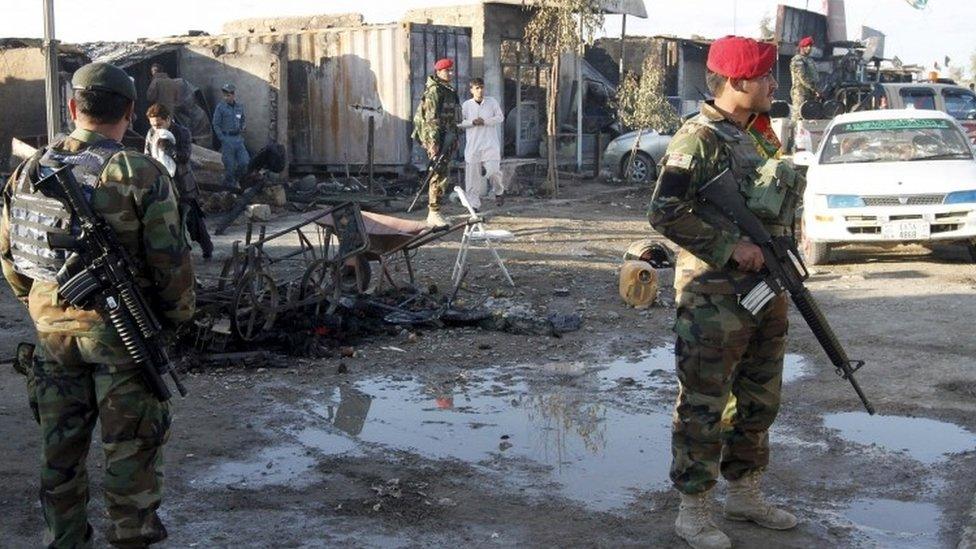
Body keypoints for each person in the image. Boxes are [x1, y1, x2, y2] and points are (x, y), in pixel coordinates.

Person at [0, 62, 195, 547]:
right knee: (131, 457)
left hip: (54, 339)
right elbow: (172, 265)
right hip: (123, 341)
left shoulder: (28, 171)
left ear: (72, 108)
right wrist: (173, 321)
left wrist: (43, 306)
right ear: (130, 112)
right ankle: (131, 537)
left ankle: (64, 539)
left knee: (59, 455)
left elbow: (11, 255)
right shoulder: (139, 173)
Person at [649, 36, 804, 549]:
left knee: (759, 397)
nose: (771, 84)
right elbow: (664, 212)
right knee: (704, 402)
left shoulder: (756, 133)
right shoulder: (697, 138)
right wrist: (730, 246)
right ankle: (693, 510)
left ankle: (744, 492)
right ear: (737, 82)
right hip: (714, 297)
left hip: (764, 289)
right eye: (764, 77)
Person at [146, 102, 214, 259]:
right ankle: (180, 254)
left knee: (192, 220)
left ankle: (207, 248)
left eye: (159, 124)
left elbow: (184, 156)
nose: (156, 128)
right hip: (163, 183)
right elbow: (148, 155)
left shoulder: (182, 132)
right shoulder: (151, 133)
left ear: (168, 119)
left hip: (182, 185)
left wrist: (167, 147)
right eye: (153, 125)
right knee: (170, 221)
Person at [412, 58, 460, 227]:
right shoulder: (434, 91)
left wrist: (455, 138)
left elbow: (452, 117)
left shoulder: (447, 89)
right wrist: (433, 144)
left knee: (443, 173)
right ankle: (433, 212)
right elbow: (431, 120)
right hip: (437, 138)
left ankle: (436, 210)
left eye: (451, 70)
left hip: (446, 137)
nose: (451, 73)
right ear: (438, 72)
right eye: (447, 71)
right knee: (438, 174)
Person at [459, 77, 505, 211]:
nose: (480, 90)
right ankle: (474, 205)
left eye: (482, 87)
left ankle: (499, 191)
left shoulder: (492, 102)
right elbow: (460, 123)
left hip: (490, 144)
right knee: (472, 178)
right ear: (471, 90)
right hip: (473, 146)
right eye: (477, 88)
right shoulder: (467, 105)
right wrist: (472, 122)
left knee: (493, 171)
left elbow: (500, 117)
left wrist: (484, 121)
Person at [213, 83, 249, 189]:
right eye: (224, 95)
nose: (226, 97)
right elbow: (216, 124)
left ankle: (235, 180)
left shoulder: (239, 107)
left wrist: (243, 126)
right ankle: (229, 189)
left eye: (228, 95)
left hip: (238, 139)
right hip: (227, 139)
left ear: (233, 95)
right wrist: (222, 138)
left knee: (244, 162)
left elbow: (242, 120)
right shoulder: (220, 108)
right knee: (230, 167)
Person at [790, 36, 821, 119]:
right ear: (801, 47)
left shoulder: (810, 60)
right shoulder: (797, 60)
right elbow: (802, 77)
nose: (809, 48)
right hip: (800, 93)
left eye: (811, 46)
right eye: (807, 46)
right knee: (798, 116)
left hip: (810, 93)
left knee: (810, 117)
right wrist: (814, 89)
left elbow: (814, 76)